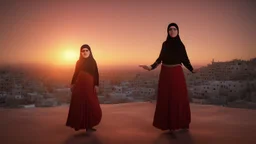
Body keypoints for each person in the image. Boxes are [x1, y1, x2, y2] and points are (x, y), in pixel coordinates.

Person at [139, 23, 198, 133]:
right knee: (166, 98)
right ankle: (169, 125)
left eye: (174, 29)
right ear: (168, 31)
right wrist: (150, 67)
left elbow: (185, 60)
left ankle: (181, 123)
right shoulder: (164, 44)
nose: (172, 31)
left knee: (178, 98)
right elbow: (160, 59)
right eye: (170, 29)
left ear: (178, 31)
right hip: (165, 73)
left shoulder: (181, 46)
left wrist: (192, 69)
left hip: (177, 74)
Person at [66, 44, 102, 133]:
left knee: (91, 104)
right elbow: (75, 73)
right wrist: (72, 83)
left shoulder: (93, 61)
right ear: (81, 52)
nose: (85, 52)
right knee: (80, 104)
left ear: (90, 51)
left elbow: (96, 74)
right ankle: (81, 125)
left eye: (86, 50)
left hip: (89, 85)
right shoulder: (78, 62)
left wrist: (96, 85)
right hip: (80, 85)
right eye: (83, 51)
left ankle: (89, 125)